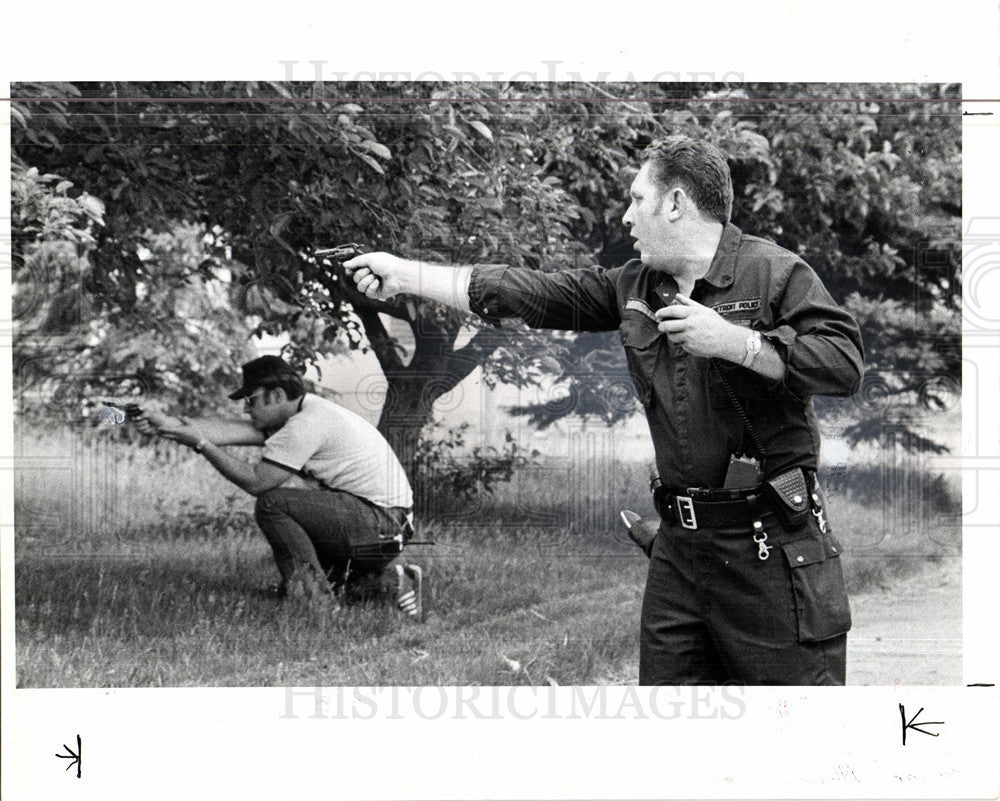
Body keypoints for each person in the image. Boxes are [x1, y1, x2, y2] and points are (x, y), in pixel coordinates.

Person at [344, 135, 864, 685]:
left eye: (637, 200)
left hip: (771, 553)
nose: (626, 217)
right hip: (680, 557)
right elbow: (532, 293)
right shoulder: (636, 286)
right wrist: (404, 274)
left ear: (675, 203)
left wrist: (737, 342)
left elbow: (843, 362)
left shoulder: (777, 274)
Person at [138, 355, 417, 610]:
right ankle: (393, 582)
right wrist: (165, 425)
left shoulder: (307, 423)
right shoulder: (304, 413)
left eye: (251, 400)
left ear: (278, 395)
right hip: (385, 527)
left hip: (379, 524)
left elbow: (257, 482)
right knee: (324, 581)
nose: (247, 410)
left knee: (273, 504)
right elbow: (230, 431)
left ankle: (315, 603)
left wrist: (201, 445)